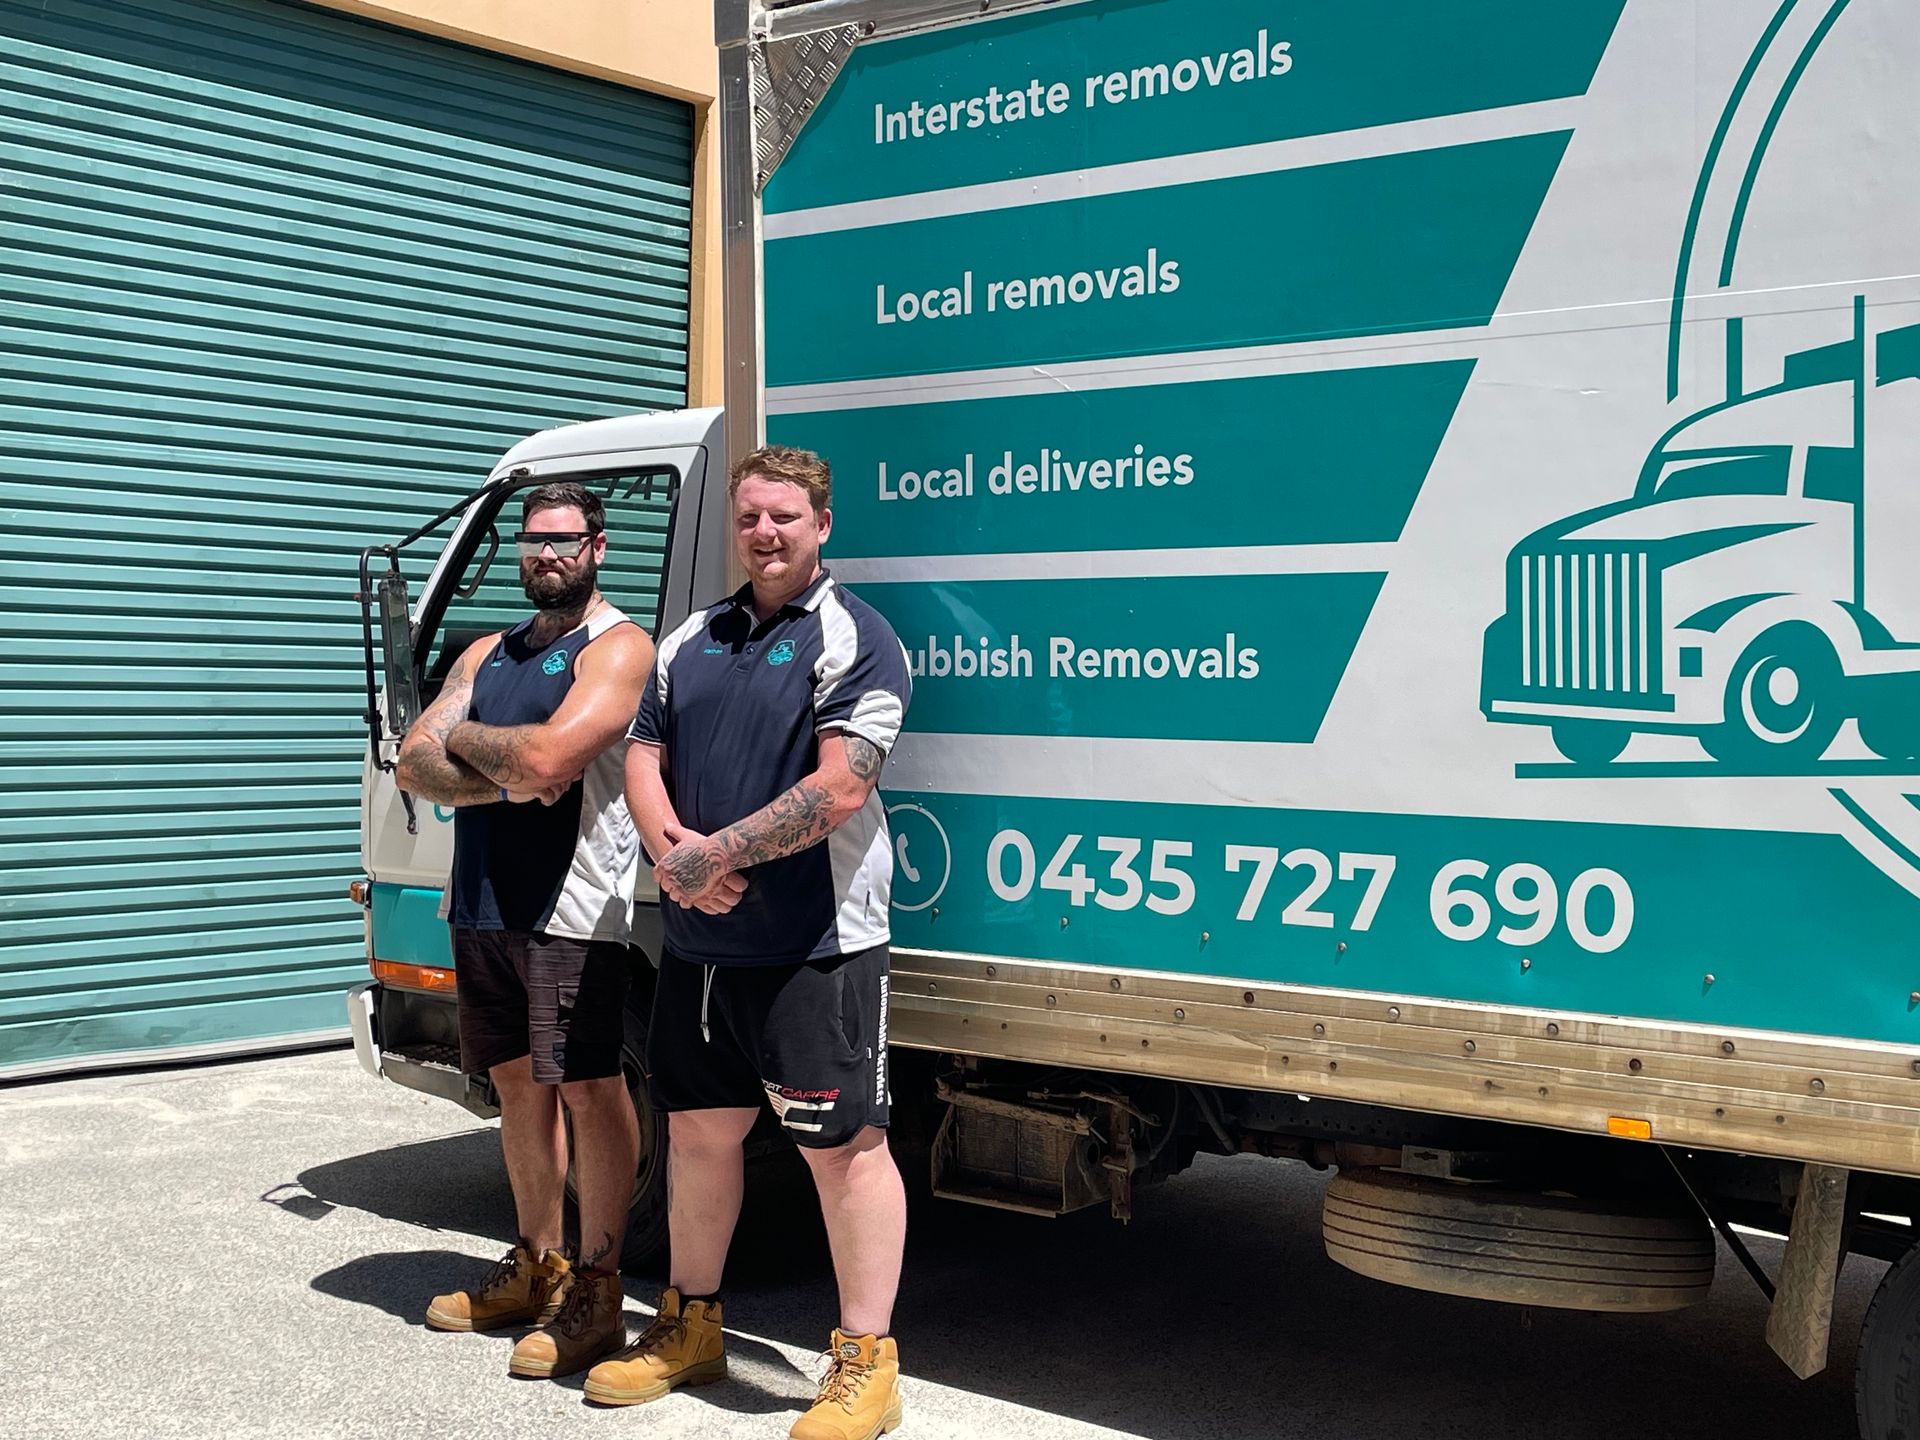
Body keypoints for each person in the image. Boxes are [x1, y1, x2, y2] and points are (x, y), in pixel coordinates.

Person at [586, 445, 911, 1440]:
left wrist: (711, 853)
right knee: (697, 1132)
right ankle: (691, 1328)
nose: (764, 534)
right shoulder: (693, 637)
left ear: (822, 525)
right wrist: (670, 846)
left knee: (843, 1150)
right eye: (750, 519)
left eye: (784, 518)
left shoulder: (858, 637)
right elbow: (643, 749)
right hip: (699, 947)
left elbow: (843, 782)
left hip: (817, 942)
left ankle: (867, 1364)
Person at [394, 480, 655, 1380]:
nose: (549, 554)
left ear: (599, 547)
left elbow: (556, 755)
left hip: (571, 908)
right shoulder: (484, 651)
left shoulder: (619, 648)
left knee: (589, 1092)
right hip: (482, 901)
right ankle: (537, 1262)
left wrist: (479, 748)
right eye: (535, 541)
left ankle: (599, 1285)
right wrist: (505, 778)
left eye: (566, 539)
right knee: (516, 1088)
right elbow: (413, 760)